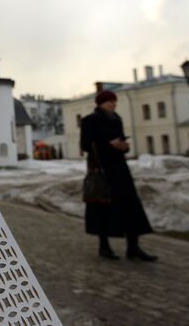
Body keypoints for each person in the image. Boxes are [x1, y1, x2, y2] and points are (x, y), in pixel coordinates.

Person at [80, 90, 157, 261]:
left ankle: (133, 247)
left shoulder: (117, 119)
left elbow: (120, 140)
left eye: (114, 101)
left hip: (119, 168)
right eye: (109, 101)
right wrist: (109, 145)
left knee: (130, 206)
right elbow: (86, 144)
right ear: (100, 103)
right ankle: (104, 246)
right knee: (103, 207)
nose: (113, 104)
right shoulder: (89, 121)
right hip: (101, 169)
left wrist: (124, 146)